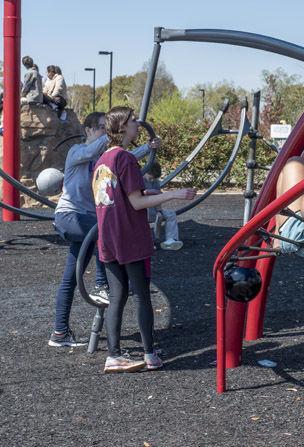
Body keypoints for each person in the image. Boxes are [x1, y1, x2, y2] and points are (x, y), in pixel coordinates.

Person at [92, 106, 196, 373]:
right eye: (132, 121)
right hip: (129, 236)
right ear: (122, 127)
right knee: (142, 295)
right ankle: (150, 354)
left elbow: (119, 194)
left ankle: (114, 354)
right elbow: (137, 202)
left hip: (108, 236)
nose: (137, 124)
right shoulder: (125, 158)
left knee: (117, 296)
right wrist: (173, 194)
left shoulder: (102, 160)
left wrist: (153, 191)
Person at [49, 112, 157, 348]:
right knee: (105, 233)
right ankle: (102, 285)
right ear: (88, 130)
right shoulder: (77, 152)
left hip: (88, 220)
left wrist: (147, 148)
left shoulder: (101, 159)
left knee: (70, 277)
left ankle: (59, 332)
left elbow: (122, 159)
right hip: (70, 217)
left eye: (105, 128)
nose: (103, 133)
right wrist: (113, 133)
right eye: (99, 128)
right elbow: (94, 151)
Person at [143, 161, 184, 250]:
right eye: (151, 178)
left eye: (154, 178)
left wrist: (159, 211)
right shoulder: (138, 179)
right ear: (146, 172)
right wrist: (149, 192)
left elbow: (158, 197)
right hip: (141, 210)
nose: (152, 180)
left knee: (171, 214)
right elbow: (136, 196)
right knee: (147, 213)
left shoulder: (156, 182)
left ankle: (171, 240)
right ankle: (148, 243)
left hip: (153, 208)